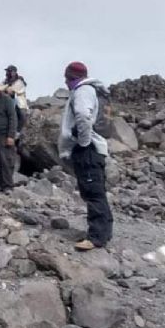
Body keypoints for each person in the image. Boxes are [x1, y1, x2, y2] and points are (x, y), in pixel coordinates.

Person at [58, 61, 113, 251]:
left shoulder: (83, 91)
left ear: (72, 77)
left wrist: (82, 142)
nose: (66, 82)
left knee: (92, 192)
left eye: (67, 78)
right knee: (96, 191)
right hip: (95, 149)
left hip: (88, 149)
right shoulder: (95, 91)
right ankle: (104, 232)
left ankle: (96, 237)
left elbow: (82, 115)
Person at [0, 65, 28, 132]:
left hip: (19, 103)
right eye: (7, 71)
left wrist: (6, 88)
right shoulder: (5, 81)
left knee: (22, 114)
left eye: (9, 71)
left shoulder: (19, 80)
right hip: (7, 101)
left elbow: (12, 91)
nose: (7, 73)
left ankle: (20, 131)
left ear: (14, 72)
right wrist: (7, 87)